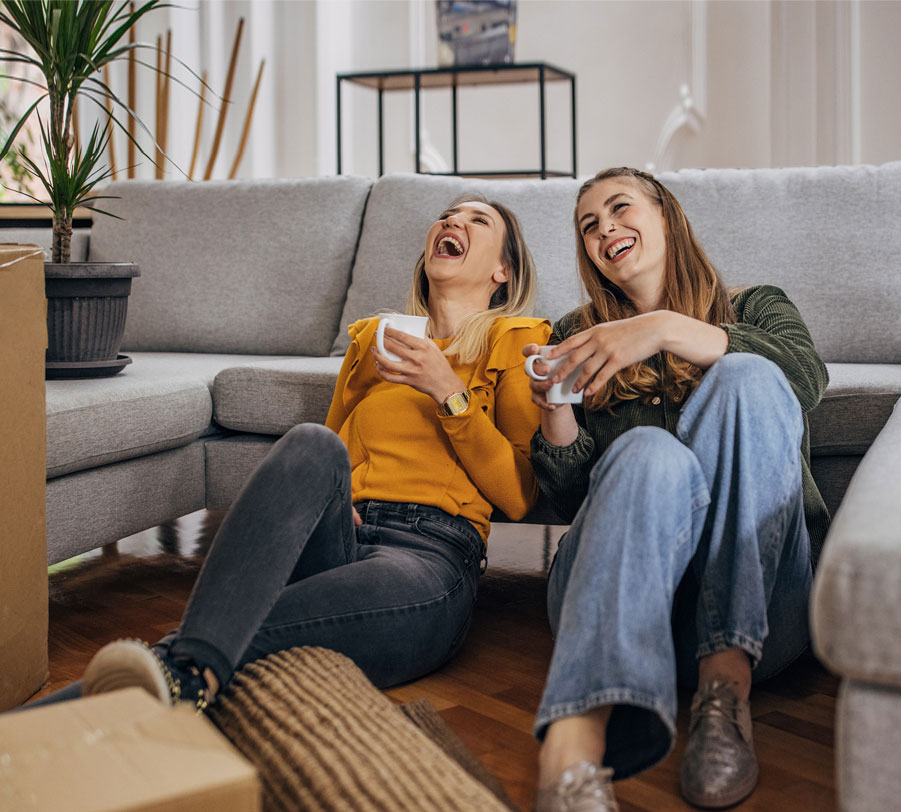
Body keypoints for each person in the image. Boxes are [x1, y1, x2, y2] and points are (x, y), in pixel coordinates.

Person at [36, 194, 550, 711]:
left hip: (426, 556)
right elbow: (331, 454)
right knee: (311, 442)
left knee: (240, 630)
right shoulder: (377, 339)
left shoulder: (515, 339)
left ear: (502, 270)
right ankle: (184, 670)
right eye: (446, 215)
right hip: (339, 538)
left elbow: (520, 495)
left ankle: (176, 668)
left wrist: (448, 392)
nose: (452, 221)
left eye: (477, 220)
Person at [524, 168, 829, 811]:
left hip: (766, 610)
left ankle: (725, 695)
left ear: (667, 215)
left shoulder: (755, 305)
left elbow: (803, 379)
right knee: (649, 452)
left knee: (748, 376)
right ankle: (572, 757)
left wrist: (662, 328)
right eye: (588, 225)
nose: (604, 228)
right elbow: (572, 501)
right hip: (630, 607)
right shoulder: (575, 332)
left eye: (619, 208)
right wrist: (555, 410)